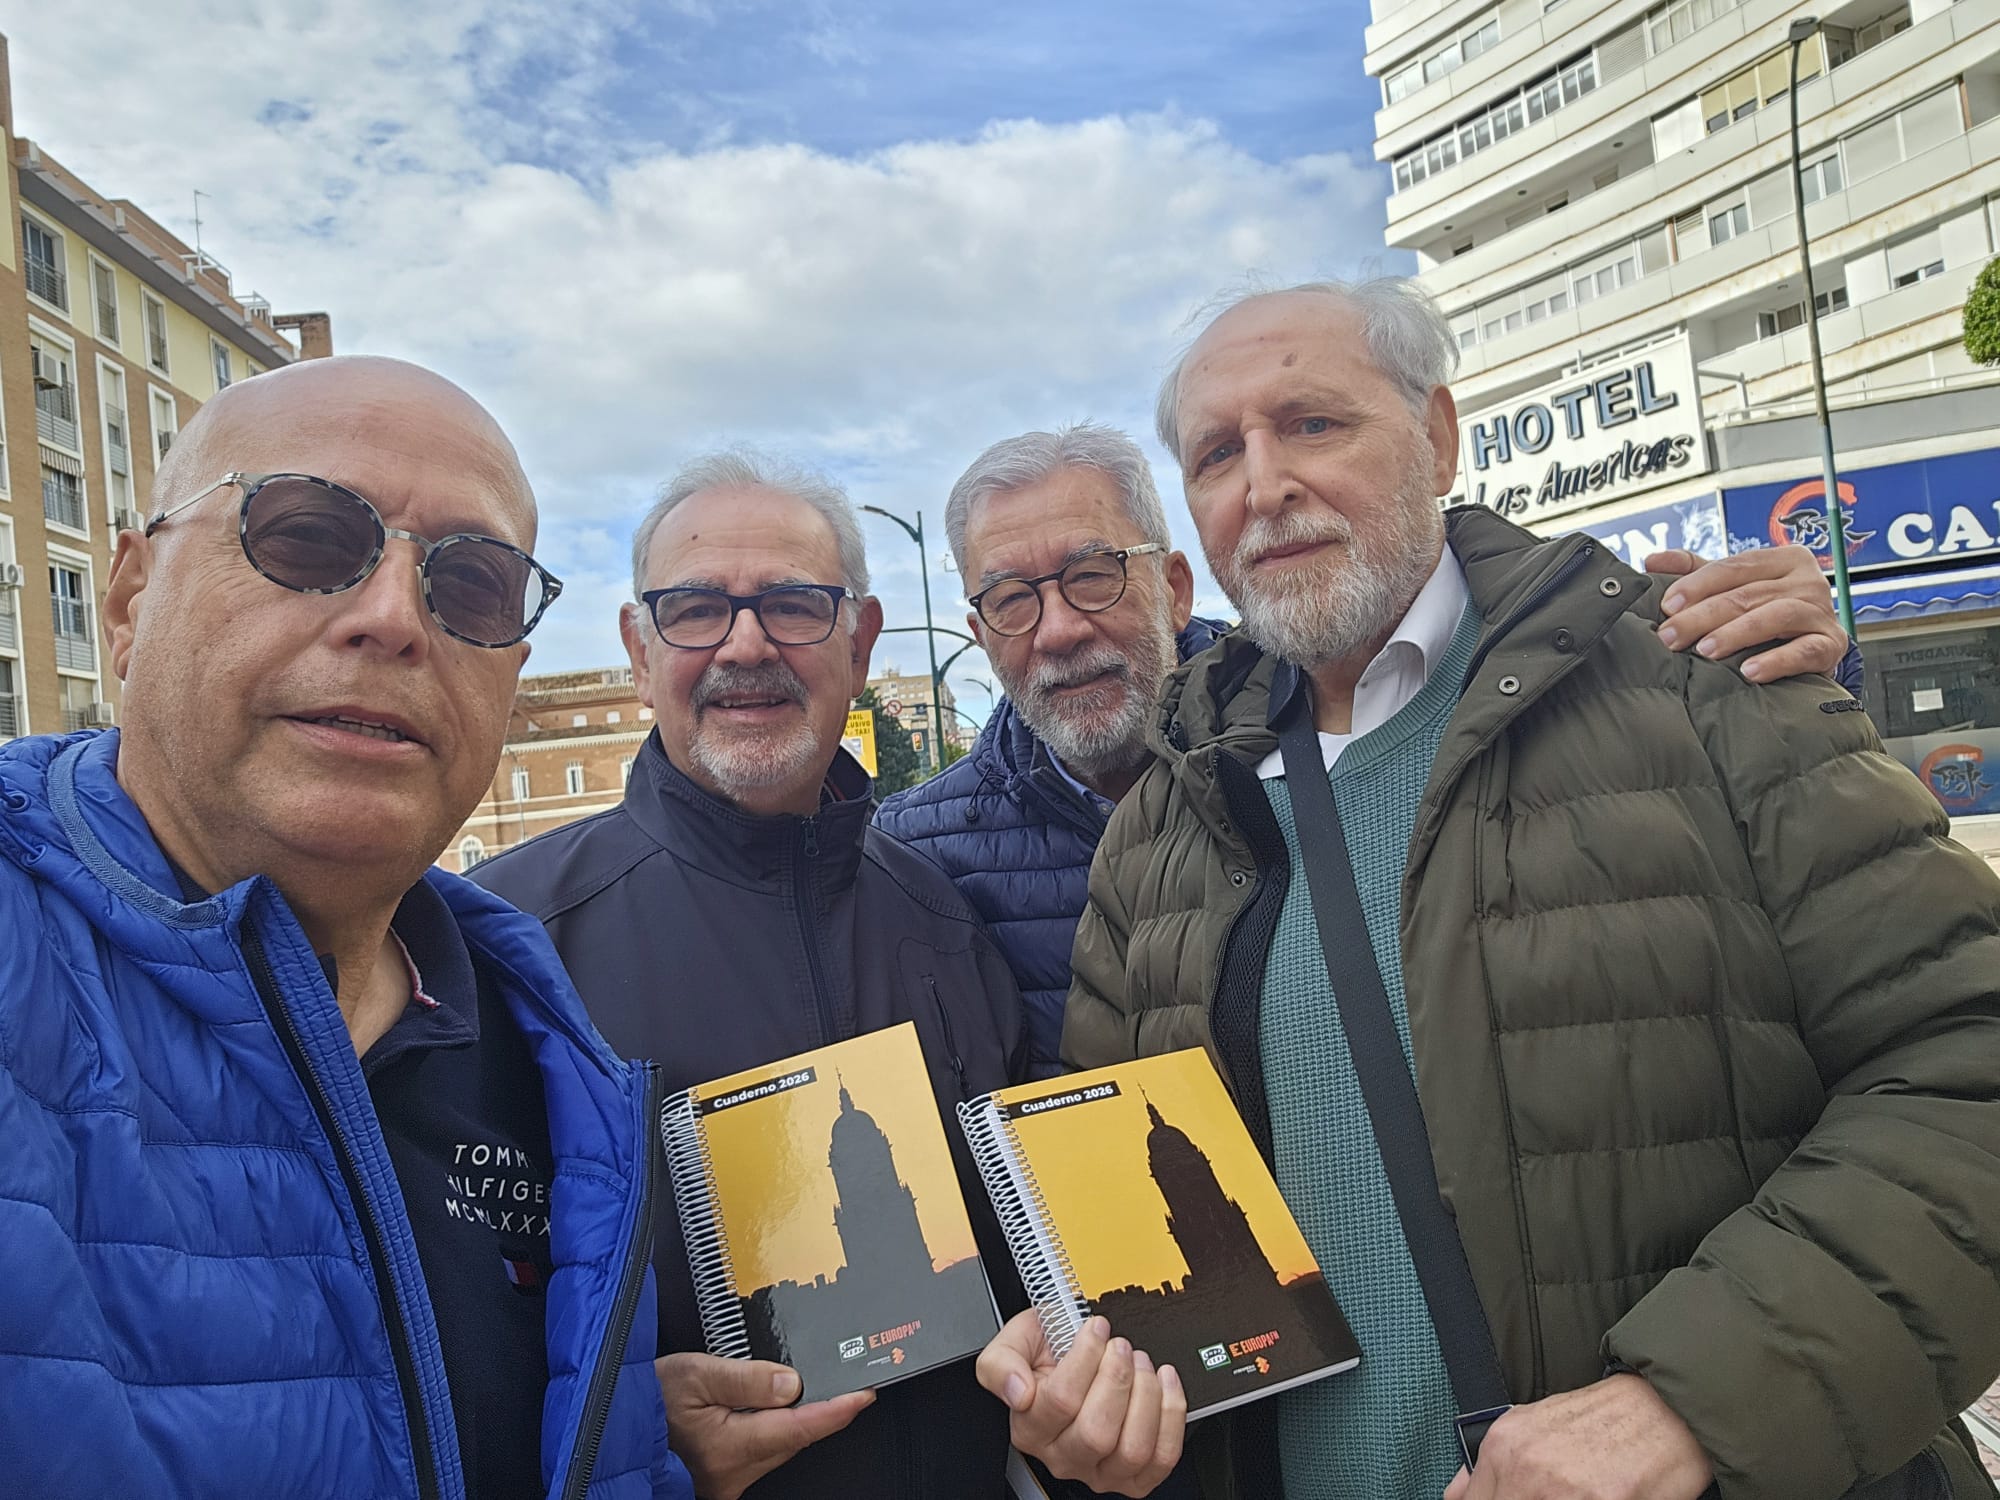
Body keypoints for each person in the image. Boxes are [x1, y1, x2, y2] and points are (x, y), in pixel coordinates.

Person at [982, 281, 2000, 1500]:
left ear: (1436, 434)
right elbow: (1122, 1250)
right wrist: (1078, 1386)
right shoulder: (1158, 825)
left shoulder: (1704, 680)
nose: (1264, 484)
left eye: (1311, 423)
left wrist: (1687, 1407)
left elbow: (1964, 1071)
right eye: (1215, 455)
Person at [0, 357, 689, 1500]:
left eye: (471, 585)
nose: (392, 619)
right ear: (128, 602)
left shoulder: (549, 1053)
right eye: (308, 539)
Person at [879, 422, 1858, 1078]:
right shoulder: (915, 857)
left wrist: (1760, 657)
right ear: (977, 630)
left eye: (1092, 575)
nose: (1057, 630)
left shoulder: (1371, 714)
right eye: (1009, 599)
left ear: (1172, 587)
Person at [472, 451, 1031, 1500]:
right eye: (695, 609)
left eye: (792, 604)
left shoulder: (944, 921)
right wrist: (629, 1440)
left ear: (859, 643)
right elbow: (431, 1346)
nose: (745, 644)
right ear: (639, 652)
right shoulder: (508, 944)